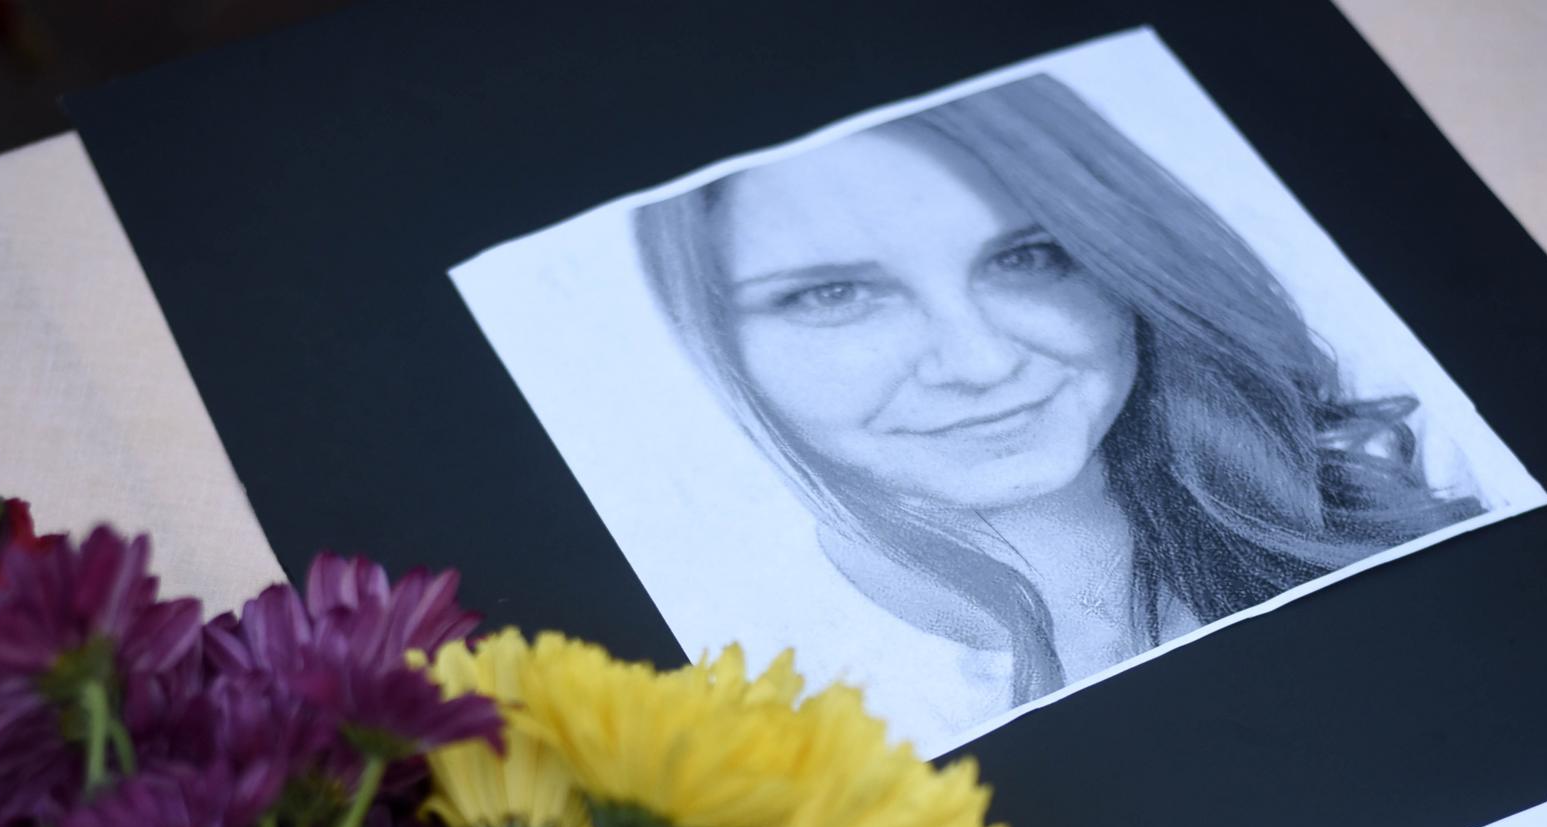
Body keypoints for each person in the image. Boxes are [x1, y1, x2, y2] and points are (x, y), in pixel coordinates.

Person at [635, 73, 1481, 727]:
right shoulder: (742, 705)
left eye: (1029, 259)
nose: (980, 360)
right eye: (834, 296)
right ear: (714, 337)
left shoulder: (1392, 485)